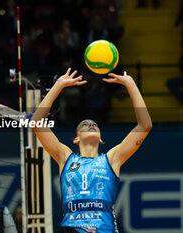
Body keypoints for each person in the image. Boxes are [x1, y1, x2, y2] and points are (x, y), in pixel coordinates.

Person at [32, 68, 152, 233]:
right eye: (84, 125)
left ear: (101, 139)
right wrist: (58, 85)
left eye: (94, 124)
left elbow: (145, 125)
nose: (90, 124)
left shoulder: (111, 159)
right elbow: (37, 122)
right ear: (76, 139)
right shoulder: (65, 158)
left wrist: (130, 84)